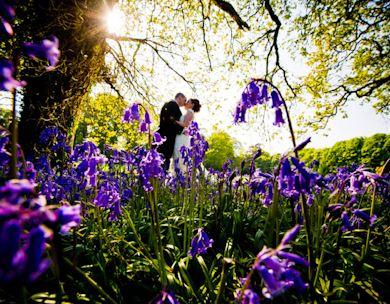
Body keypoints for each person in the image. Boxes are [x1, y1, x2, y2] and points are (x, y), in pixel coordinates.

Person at [157, 93, 186, 170]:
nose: (185, 103)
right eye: (184, 100)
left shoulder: (166, 104)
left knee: (160, 159)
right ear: (180, 98)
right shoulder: (173, 105)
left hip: (161, 136)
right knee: (164, 160)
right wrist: (181, 130)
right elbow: (171, 121)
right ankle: (160, 180)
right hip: (167, 138)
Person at [173, 98, 201, 172]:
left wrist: (174, 121)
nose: (186, 103)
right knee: (178, 155)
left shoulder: (190, 112)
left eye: (188, 102)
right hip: (181, 136)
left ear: (192, 105)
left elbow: (185, 124)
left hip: (182, 137)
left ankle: (181, 175)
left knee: (178, 155)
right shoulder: (189, 112)